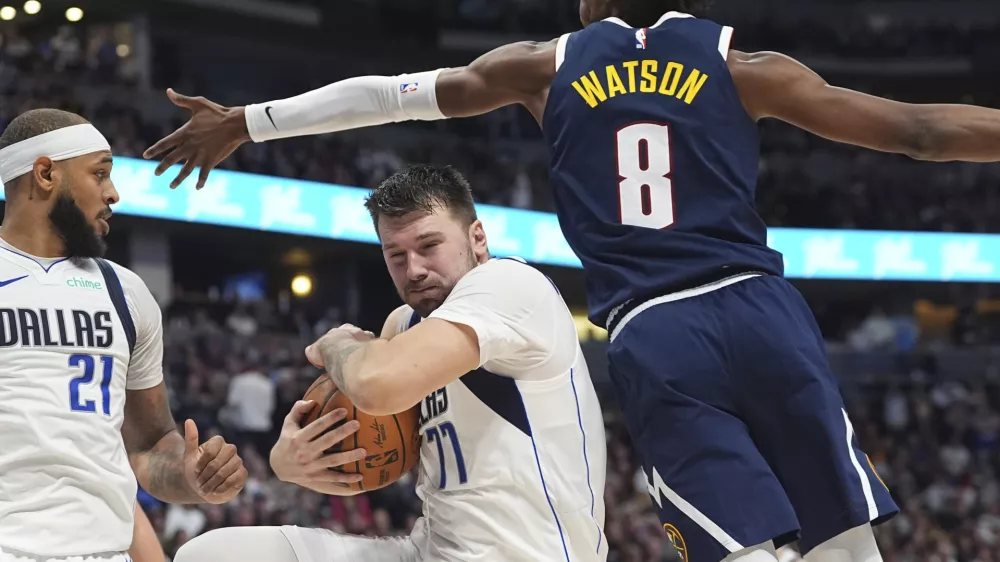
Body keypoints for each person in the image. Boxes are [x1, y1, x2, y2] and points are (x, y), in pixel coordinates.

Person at [141, 0, 1000, 559]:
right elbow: (921, 132)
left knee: (738, 549)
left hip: (656, 332)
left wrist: (251, 122)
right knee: (844, 542)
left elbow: (389, 96)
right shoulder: (744, 67)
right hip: (760, 307)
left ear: (591, 7)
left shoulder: (544, 68)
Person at [173, 165, 608, 561]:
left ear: (477, 238)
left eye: (429, 245)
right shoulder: (403, 324)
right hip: (431, 549)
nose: (414, 269)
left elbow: (374, 385)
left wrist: (337, 342)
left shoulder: (510, 284)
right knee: (209, 555)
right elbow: (373, 451)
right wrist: (292, 462)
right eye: (396, 255)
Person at [0, 109, 248, 562]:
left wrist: (191, 475)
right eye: (99, 174)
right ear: (45, 173)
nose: (113, 193)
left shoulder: (125, 291)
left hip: (104, 552)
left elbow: (150, 445)